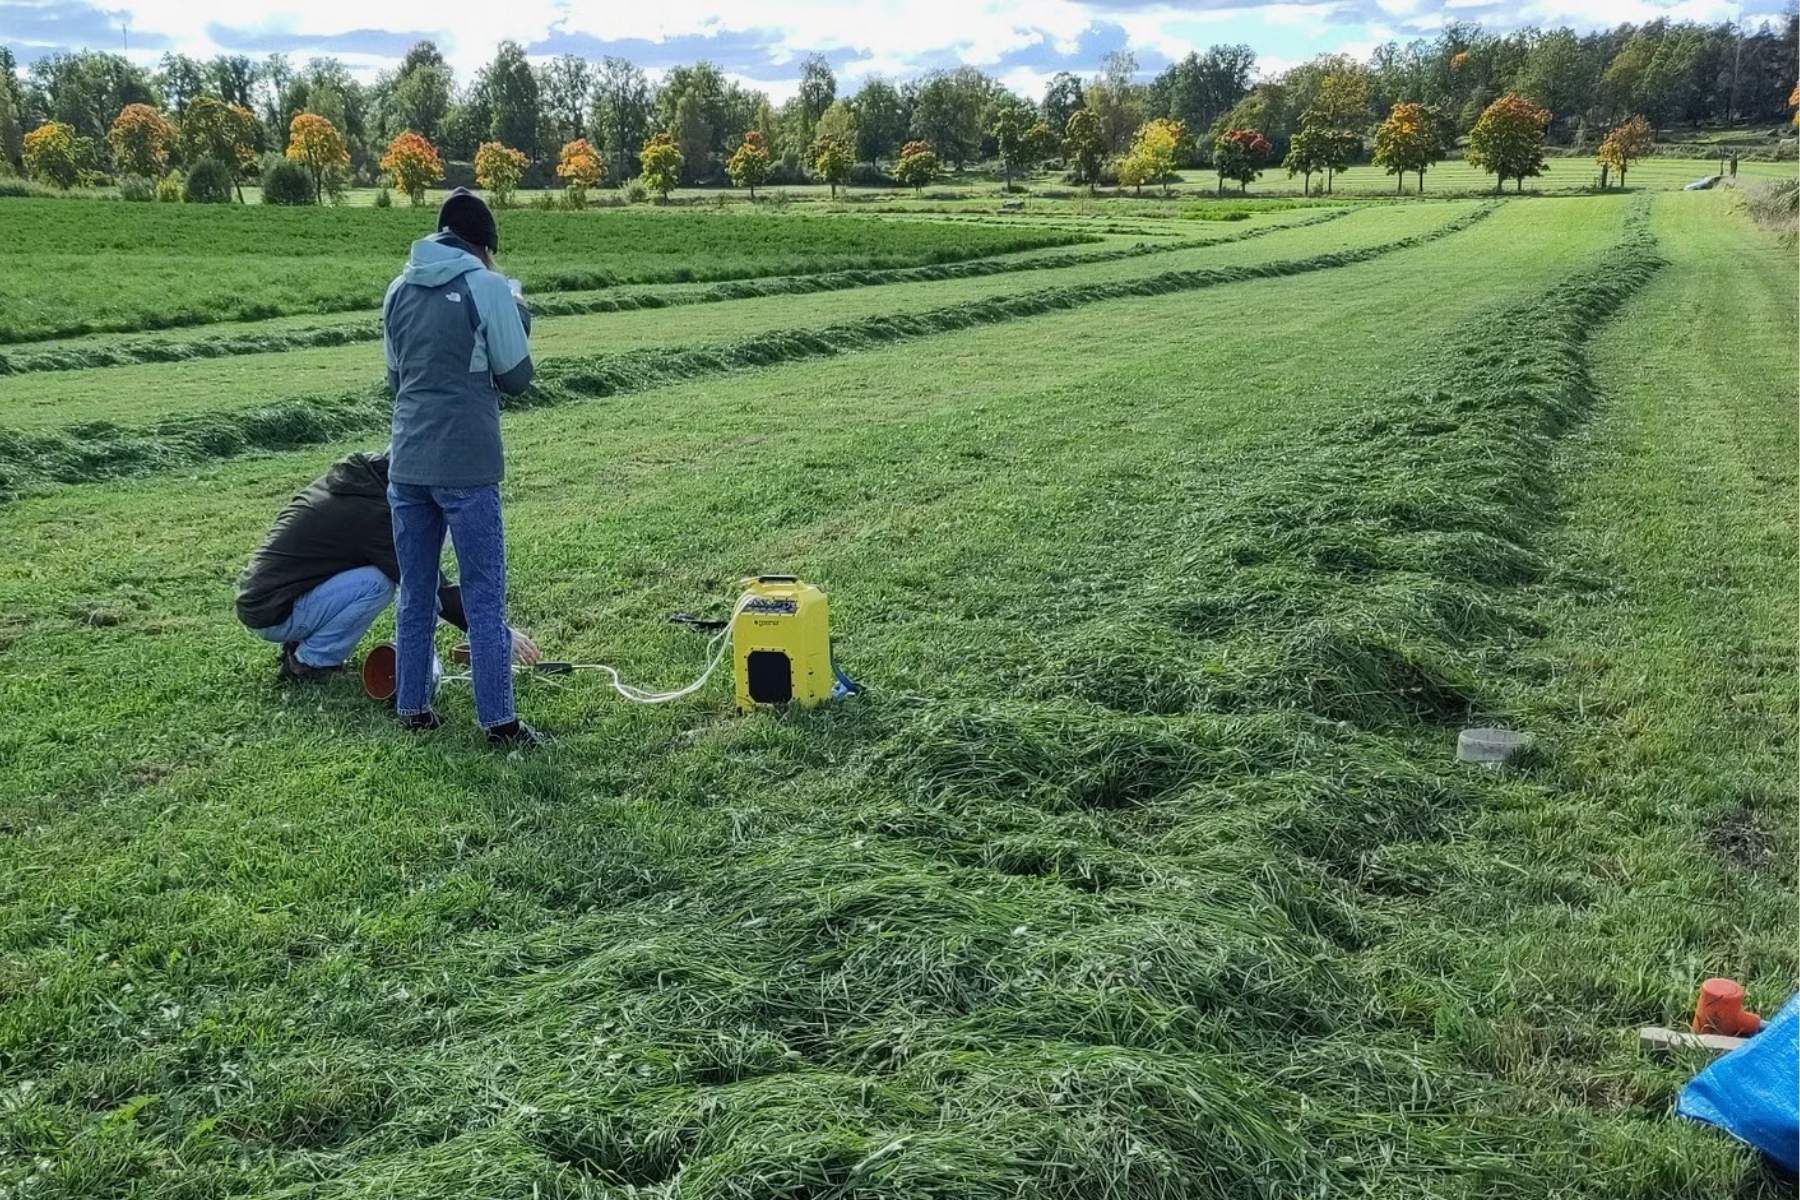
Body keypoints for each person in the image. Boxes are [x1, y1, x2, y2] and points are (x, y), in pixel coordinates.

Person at [383, 187, 546, 749]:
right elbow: (516, 377)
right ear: (484, 246)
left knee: (416, 590)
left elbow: (396, 379)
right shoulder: (488, 286)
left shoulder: (398, 288)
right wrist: (518, 312)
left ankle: (413, 707)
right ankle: (499, 721)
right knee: (484, 593)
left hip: (407, 461)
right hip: (468, 463)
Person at [236, 450, 538, 680]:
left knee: (373, 576)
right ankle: (311, 663)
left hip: (273, 597)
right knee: (377, 583)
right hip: (272, 610)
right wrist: (494, 630)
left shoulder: (361, 481)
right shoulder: (374, 514)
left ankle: (302, 645)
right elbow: (428, 584)